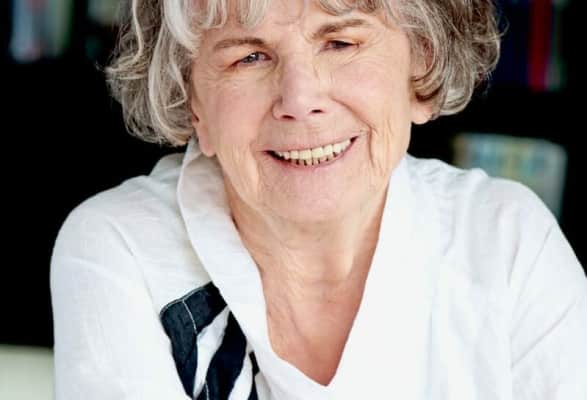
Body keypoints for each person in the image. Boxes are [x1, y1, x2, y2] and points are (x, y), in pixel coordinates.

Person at [50, 0, 587, 399]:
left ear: (420, 68)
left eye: (340, 43)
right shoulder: (122, 251)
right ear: (194, 105)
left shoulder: (508, 244)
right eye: (249, 57)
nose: (300, 99)